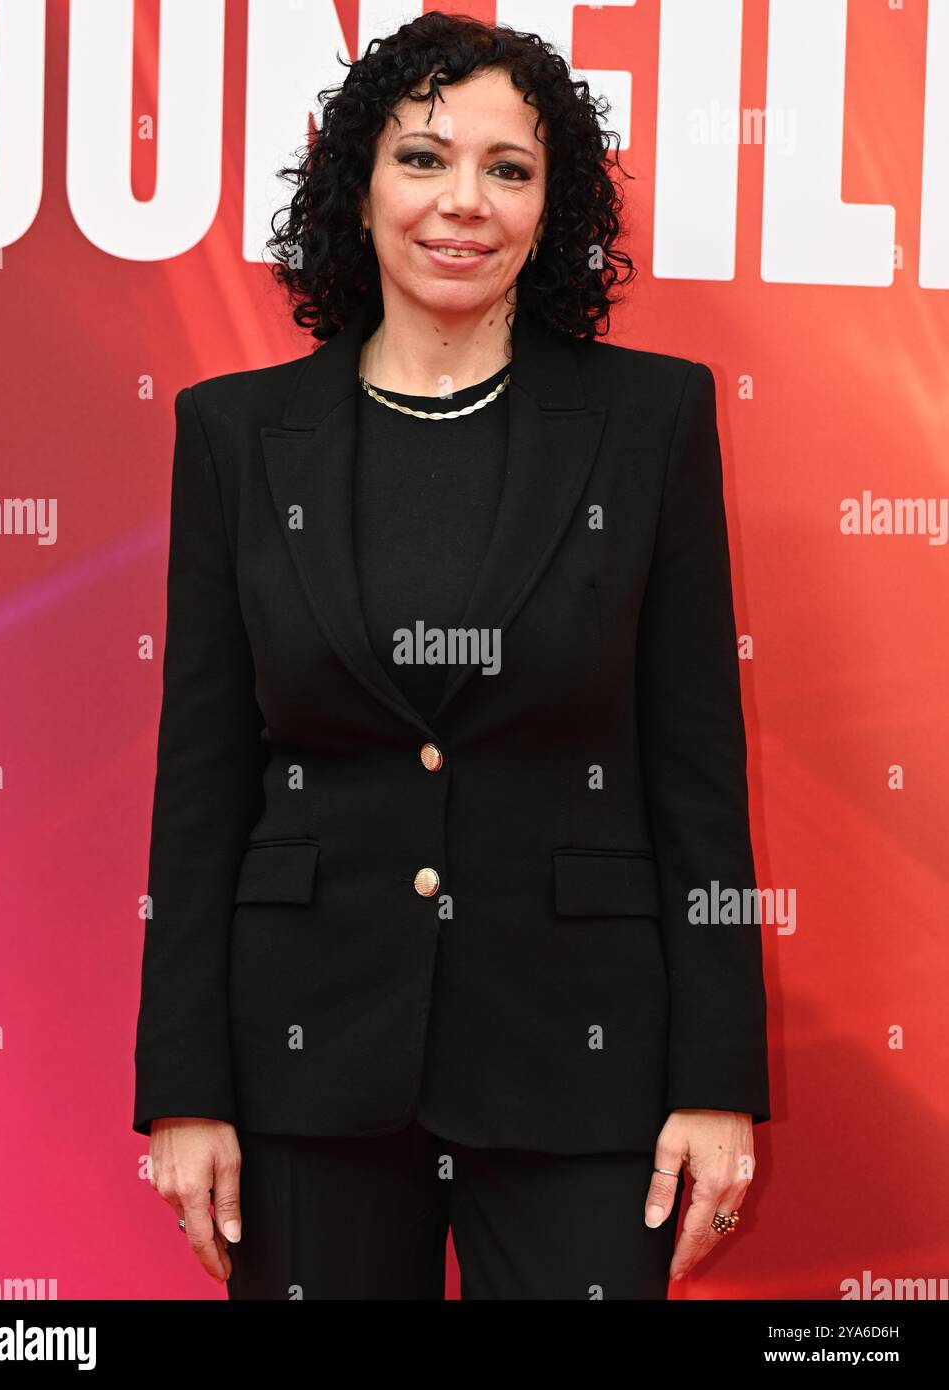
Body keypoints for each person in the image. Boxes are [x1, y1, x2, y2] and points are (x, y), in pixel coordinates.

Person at [132, 11, 770, 1300]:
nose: (462, 203)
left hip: (583, 1064)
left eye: (509, 168)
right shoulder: (237, 436)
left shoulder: (652, 422)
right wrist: (184, 1093)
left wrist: (717, 1084)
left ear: (553, 203)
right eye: (423, 158)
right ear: (358, 183)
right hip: (307, 1066)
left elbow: (697, 770)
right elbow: (201, 785)